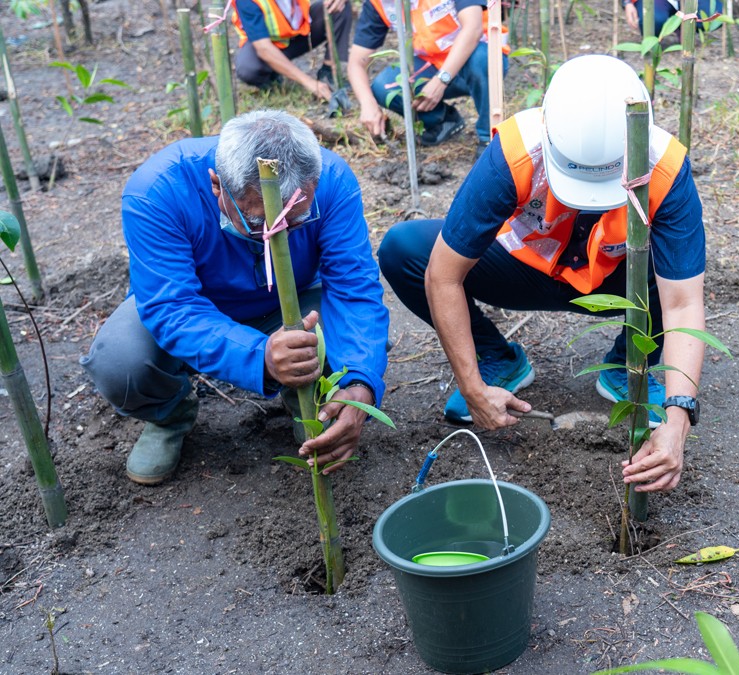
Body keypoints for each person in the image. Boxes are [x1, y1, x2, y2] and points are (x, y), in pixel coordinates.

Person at [377, 54, 707, 493]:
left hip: (619, 282)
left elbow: (683, 303)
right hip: (522, 268)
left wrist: (679, 416)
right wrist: (470, 384)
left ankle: (629, 365)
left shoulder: (665, 169)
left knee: (678, 268)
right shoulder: (516, 149)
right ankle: (497, 361)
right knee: (404, 250)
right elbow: (443, 275)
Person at [81, 110, 390, 485]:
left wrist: (360, 388)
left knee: (355, 345)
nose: (280, 233)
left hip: (297, 306)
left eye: (299, 219)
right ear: (217, 186)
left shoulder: (332, 179)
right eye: (261, 221)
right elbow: (172, 308)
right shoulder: (158, 190)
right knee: (120, 361)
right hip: (200, 308)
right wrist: (258, 356)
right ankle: (170, 414)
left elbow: (355, 290)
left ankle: (313, 405)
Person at [347, 0, 508, 154]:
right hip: (432, 64)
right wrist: (367, 103)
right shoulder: (378, 4)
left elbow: (473, 29)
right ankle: (443, 121)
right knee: (385, 87)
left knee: (483, 59)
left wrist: (441, 79)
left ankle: (489, 137)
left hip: (478, 57)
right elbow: (356, 63)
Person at [230, 0, 351, 101]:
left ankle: (328, 72)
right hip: (266, 45)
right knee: (248, 68)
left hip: (298, 33)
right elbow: (263, 48)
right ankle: (271, 77)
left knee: (338, 6)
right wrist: (309, 82)